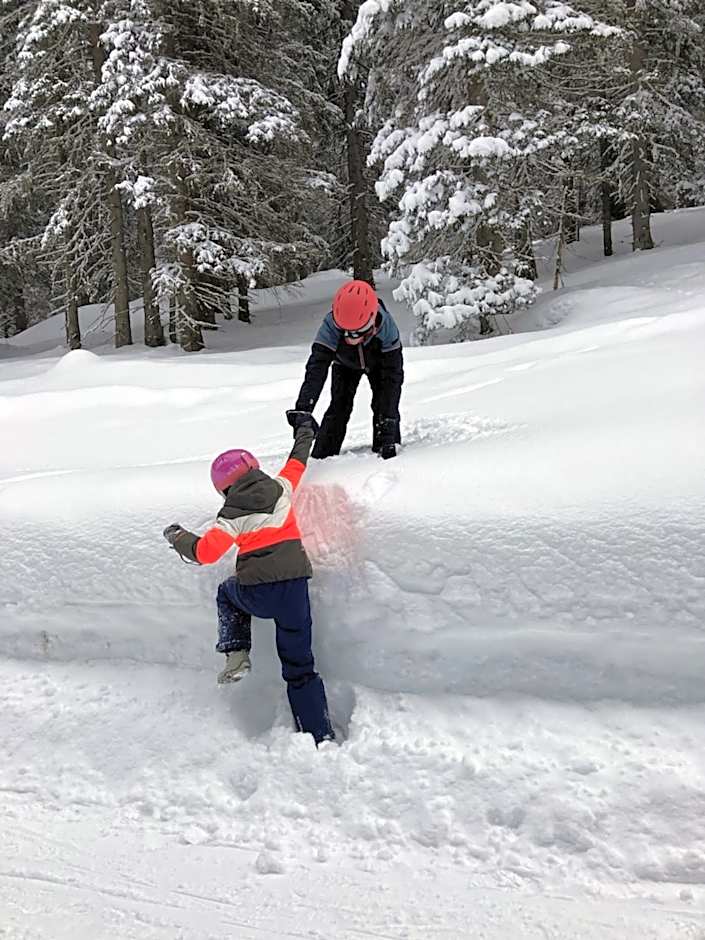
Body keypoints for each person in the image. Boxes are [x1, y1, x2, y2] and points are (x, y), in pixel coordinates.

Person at [162, 419, 334, 746]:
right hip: (296, 591)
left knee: (227, 593)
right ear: (254, 469)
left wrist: (177, 536)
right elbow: (297, 461)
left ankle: (236, 654)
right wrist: (304, 430)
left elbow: (205, 553)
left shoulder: (230, 516)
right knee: (300, 666)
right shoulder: (282, 488)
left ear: (224, 488)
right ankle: (318, 734)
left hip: (256, 593)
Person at [293, 280, 404, 460]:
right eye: (344, 331)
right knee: (339, 406)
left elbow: (393, 377)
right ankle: (322, 457)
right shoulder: (330, 325)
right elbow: (316, 367)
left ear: (372, 322)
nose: (350, 338)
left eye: (357, 332)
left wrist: (390, 420)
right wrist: (304, 409)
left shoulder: (386, 327)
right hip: (344, 364)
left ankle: (387, 455)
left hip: (380, 364)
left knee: (384, 406)